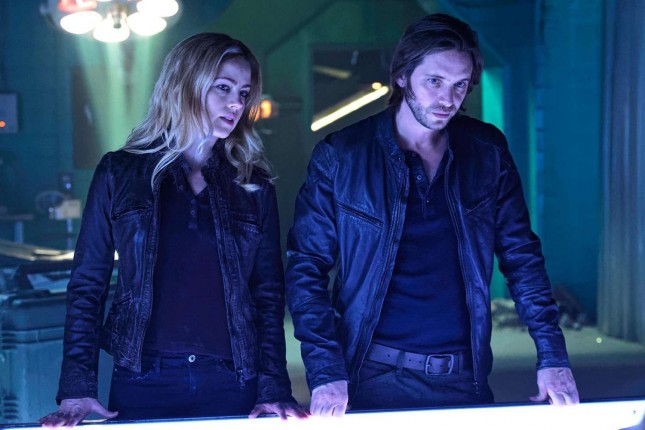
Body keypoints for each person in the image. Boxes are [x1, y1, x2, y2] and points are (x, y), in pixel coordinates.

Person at [285, 14, 579, 416]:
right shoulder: (343, 155)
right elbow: (306, 267)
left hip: (464, 375)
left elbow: (521, 257)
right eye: (435, 81)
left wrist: (552, 354)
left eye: (460, 85)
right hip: (373, 374)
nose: (447, 99)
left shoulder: (486, 151)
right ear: (402, 76)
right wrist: (325, 371)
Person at [40, 33, 306, 427]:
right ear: (186, 85)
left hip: (231, 379)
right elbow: (87, 285)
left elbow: (267, 293)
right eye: (223, 87)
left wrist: (273, 386)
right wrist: (77, 385)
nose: (237, 103)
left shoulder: (254, 183)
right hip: (144, 380)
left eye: (243, 92)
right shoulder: (120, 172)